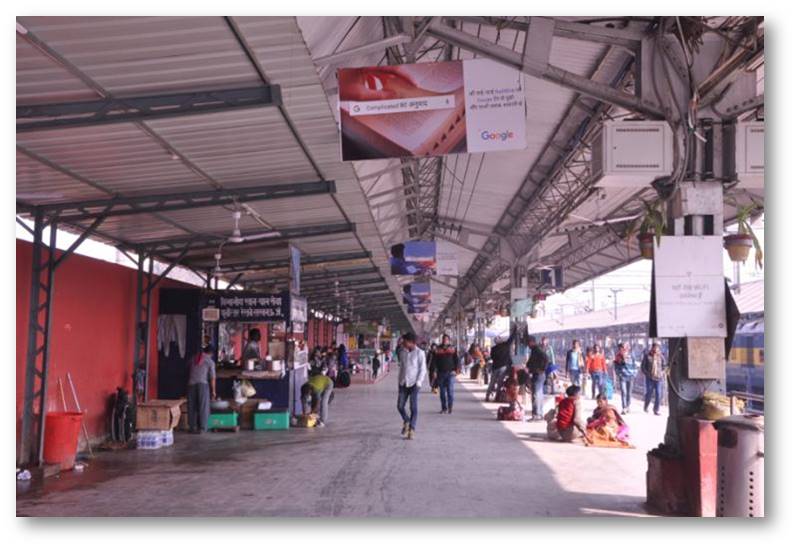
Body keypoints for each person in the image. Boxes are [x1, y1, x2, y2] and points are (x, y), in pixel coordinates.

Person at [397, 333, 426, 440]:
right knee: (400, 406)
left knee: (413, 407)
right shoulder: (402, 352)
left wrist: (419, 382)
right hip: (403, 383)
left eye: (405, 341)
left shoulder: (420, 353)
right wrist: (399, 380)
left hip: (414, 384)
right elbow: (402, 367)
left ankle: (412, 429)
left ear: (411, 342)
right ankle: (407, 420)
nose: (403, 343)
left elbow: (423, 369)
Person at [187, 343, 217, 434]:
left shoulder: (194, 358)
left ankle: (192, 427)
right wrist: (213, 391)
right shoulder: (210, 361)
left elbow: (189, 369)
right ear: (211, 353)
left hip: (191, 384)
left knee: (192, 406)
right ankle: (203, 428)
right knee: (203, 407)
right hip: (202, 385)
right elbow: (212, 378)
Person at [486, 325, 517, 402]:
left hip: (495, 367)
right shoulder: (506, 345)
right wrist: (515, 330)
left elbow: (492, 358)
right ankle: (497, 397)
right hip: (503, 367)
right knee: (500, 383)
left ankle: (487, 396)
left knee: (492, 382)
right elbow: (511, 338)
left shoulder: (493, 349)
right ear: (500, 341)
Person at [431, 334, 459, 414]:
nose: (445, 340)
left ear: (449, 340)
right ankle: (444, 408)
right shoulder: (437, 349)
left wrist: (455, 370)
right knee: (442, 392)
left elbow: (456, 360)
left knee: (450, 391)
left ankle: (450, 407)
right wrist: (434, 371)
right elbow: (434, 361)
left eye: (446, 339)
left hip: (450, 373)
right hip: (440, 373)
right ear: (441, 340)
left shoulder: (453, 349)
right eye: (443, 339)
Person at [525, 335, 548, 420]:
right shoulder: (535, 350)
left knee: (536, 395)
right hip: (537, 374)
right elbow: (531, 361)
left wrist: (541, 369)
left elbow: (546, 358)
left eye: (528, 343)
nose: (527, 345)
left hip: (538, 374)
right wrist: (528, 367)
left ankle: (536, 414)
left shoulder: (537, 350)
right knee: (539, 394)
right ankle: (539, 413)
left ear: (531, 342)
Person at [641, 342, 667, 415]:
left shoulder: (661, 357)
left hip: (658, 378)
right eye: (654, 347)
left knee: (658, 394)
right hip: (650, 378)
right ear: (652, 348)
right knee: (649, 393)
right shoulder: (647, 356)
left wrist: (662, 372)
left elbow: (664, 366)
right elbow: (643, 367)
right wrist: (647, 374)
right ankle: (646, 405)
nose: (656, 349)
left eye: (657, 348)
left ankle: (656, 410)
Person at [613, 342, 638, 414]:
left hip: (630, 376)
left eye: (624, 348)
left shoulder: (631, 356)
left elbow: (635, 365)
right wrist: (619, 374)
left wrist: (634, 374)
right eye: (621, 348)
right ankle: (624, 407)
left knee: (629, 393)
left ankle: (628, 406)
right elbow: (616, 367)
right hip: (623, 376)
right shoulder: (618, 357)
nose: (623, 349)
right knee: (623, 392)